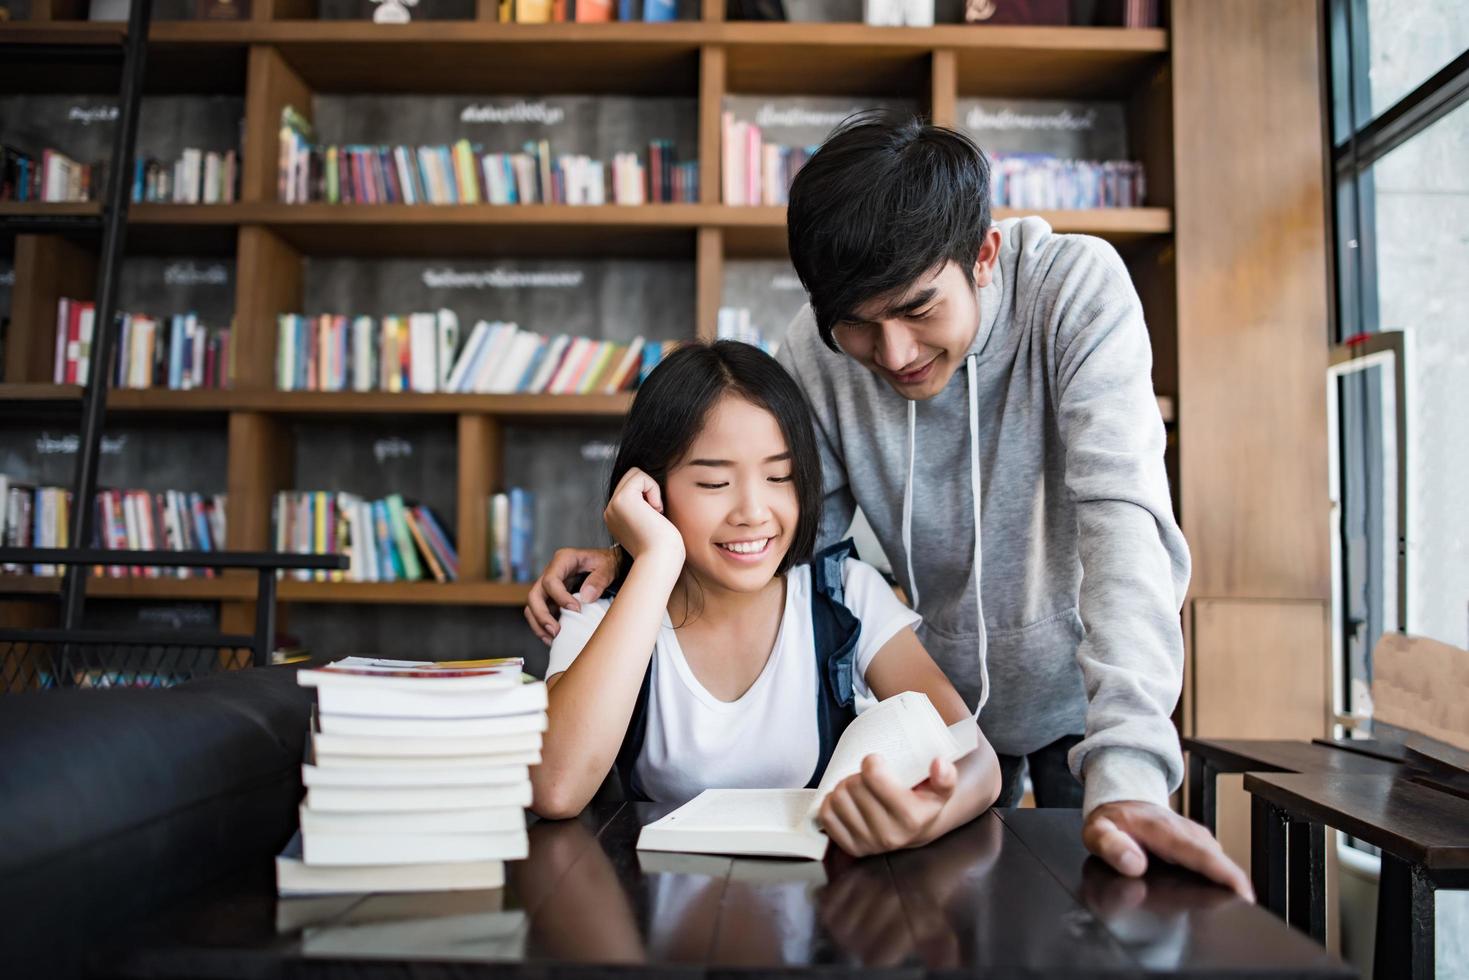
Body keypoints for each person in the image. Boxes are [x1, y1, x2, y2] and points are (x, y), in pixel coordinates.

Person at [526, 113, 1252, 899]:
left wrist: (1131, 776)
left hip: (1087, 697)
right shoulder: (815, 349)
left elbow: (1125, 524)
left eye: (917, 311)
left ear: (983, 256)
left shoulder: (1071, 291)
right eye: (859, 328)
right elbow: (797, 555)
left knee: (1105, 912)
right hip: (936, 703)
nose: (894, 356)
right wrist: (643, 559)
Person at [530, 340, 1002, 856]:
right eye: (714, 482)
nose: (754, 511)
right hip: (658, 913)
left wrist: (924, 819)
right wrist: (655, 558)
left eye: (780, 476)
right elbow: (555, 789)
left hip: (822, 909)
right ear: (649, 489)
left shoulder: (845, 595)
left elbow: (976, 757)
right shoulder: (600, 613)